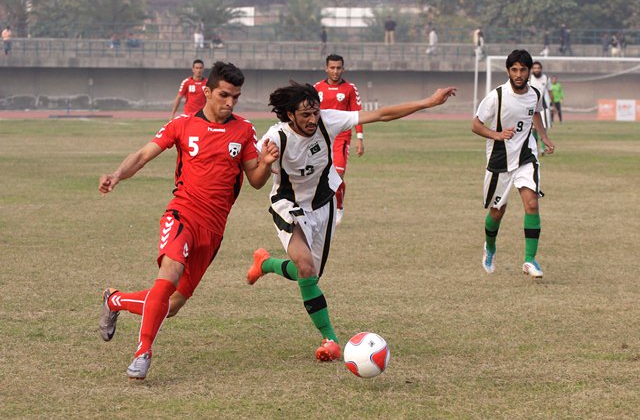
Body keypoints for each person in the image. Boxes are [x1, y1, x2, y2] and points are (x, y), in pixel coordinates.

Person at [246, 82, 456, 361]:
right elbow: (256, 183)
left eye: (315, 113)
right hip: (289, 206)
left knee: (310, 276)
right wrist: (265, 163)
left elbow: (381, 114)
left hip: (324, 204)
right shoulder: (275, 138)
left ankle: (266, 263)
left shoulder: (327, 120)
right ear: (289, 115)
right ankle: (330, 339)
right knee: (306, 268)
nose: (312, 120)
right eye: (305, 115)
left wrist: (428, 102)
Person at [98, 61, 279, 380]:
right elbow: (141, 155)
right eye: (224, 95)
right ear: (207, 92)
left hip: (213, 229)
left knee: (172, 303)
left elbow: (255, 180)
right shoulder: (181, 125)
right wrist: (116, 175)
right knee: (169, 274)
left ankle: (115, 300)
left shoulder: (244, 129)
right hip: (182, 213)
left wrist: (264, 163)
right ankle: (142, 353)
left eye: (236, 97)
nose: (230, 102)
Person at [472, 49, 555, 279]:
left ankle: (529, 260)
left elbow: (535, 113)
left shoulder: (535, 93)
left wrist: (545, 137)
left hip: (526, 156)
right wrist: (497, 135)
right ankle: (490, 247)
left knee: (531, 204)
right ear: (508, 71)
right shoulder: (496, 96)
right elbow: (476, 125)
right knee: (497, 211)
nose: (519, 74)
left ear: (529, 72)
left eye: (523, 70)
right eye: (514, 70)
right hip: (500, 159)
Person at [313, 54, 364, 224]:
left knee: (337, 175)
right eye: (332, 68)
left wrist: (360, 138)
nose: (335, 71)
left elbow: (358, 115)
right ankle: (321, 209)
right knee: (319, 176)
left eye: (338, 68)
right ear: (326, 68)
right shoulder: (317, 88)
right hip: (321, 138)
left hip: (341, 138)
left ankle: (339, 207)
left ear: (343, 68)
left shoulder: (349, 89)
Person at [529, 61, 554, 152]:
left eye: (538, 68)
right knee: (534, 128)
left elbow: (550, 92)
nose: (536, 70)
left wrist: (553, 105)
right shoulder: (529, 78)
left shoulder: (546, 78)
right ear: (532, 69)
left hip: (544, 107)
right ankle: (535, 148)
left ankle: (543, 149)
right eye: (534, 68)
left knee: (543, 127)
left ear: (541, 69)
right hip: (532, 107)